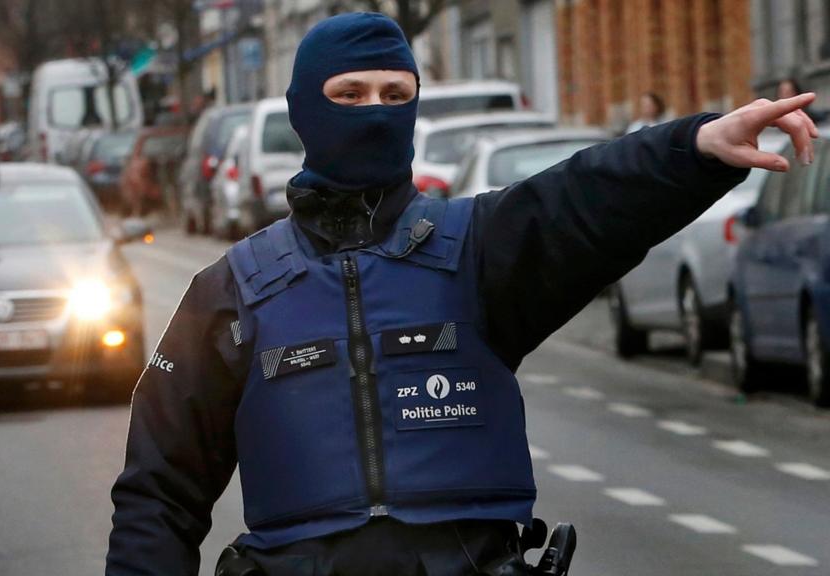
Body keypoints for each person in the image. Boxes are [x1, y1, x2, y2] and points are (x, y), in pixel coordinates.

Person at [107, 13, 817, 576]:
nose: (375, 112)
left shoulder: (478, 250)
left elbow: (589, 197)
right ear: (303, 111)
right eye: (349, 95)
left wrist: (695, 148)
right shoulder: (232, 291)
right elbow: (157, 496)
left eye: (396, 94)